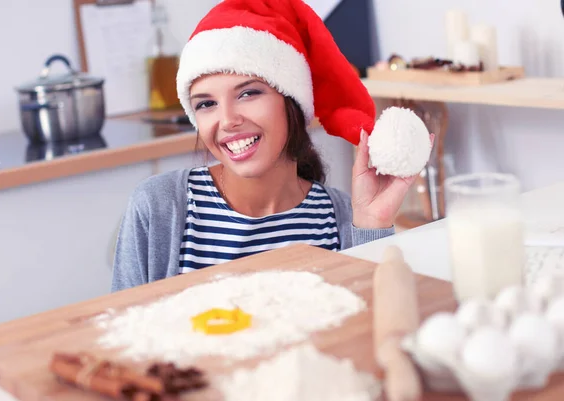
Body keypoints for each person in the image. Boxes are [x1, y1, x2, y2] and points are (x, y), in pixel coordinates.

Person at [111, 0, 430, 291]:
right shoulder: (159, 206)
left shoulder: (342, 218)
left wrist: (372, 225)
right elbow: (118, 333)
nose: (227, 120)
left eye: (248, 93)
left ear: (292, 103)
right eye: (206, 104)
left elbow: (368, 333)